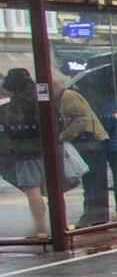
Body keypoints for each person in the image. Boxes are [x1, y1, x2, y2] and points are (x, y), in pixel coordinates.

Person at [2, 68, 48, 238]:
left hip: (26, 148)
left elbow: (14, 125)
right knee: (48, 188)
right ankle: (51, 224)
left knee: (32, 189)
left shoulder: (18, 101)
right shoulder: (39, 95)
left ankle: (40, 227)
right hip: (45, 146)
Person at [58, 75, 110, 226]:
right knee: (94, 181)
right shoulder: (67, 96)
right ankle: (97, 214)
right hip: (90, 142)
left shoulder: (68, 97)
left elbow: (81, 119)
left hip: (89, 142)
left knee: (92, 180)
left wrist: (64, 135)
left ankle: (94, 214)